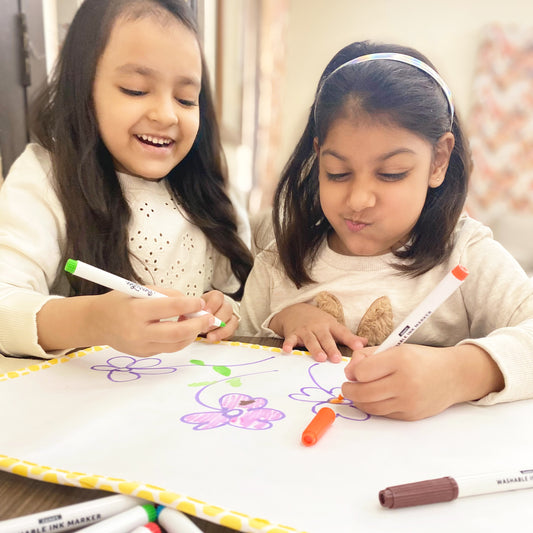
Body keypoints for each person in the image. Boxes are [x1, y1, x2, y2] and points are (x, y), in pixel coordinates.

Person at [237, 40, 533, 420]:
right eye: (337, 173)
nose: (358, 199)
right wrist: (281, 320)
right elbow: (235, 358)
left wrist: (460, 373)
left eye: (391, 174)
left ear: (438, 160)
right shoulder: (281, 260)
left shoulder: (465, 254)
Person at [0, 0, 253, 359]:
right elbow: (4, 305)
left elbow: (246, 300)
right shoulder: (46, 176)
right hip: (87, 402)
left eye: (185, 99)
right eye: (135, 89)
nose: (166, 115)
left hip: (193, 397)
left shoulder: (209, 188)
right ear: (83, 87)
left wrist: (228, 311)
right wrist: (95, 320)